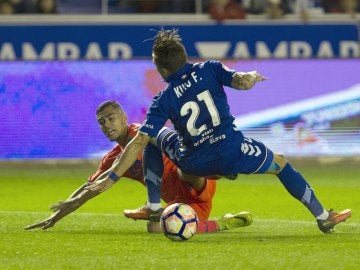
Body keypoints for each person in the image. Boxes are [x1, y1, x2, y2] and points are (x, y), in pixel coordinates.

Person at [87, 28, 351, 234]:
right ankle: (323, 217)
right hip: (231, 152)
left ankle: (154, 207)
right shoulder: (210, 69)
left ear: (162, 69)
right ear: (184, 56)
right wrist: (252, 75)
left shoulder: (162, 99)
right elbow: (242, 82)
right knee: (280, 163)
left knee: (154, 136)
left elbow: (137, 142)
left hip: (192, 162)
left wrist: (110, 179)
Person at [24, 100, 253, 233]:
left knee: (185, 167)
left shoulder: (144, 133)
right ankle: (225, 223)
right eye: (101, 122)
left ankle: (219, 169)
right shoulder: (112, 158)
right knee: (158, 230)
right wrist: (58, 214)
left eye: (111, 118)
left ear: (124, 117)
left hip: (197, 180)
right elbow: (88, 189)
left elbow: (183, 146)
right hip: (179, 201)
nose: (106, 125)